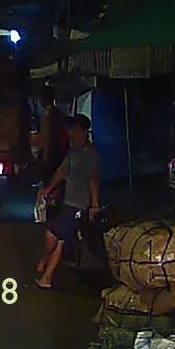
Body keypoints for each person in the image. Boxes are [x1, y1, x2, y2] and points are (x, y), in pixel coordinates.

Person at [34, 114, 101, 289]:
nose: (72, 134)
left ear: (84, 132)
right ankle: (45, 271)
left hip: (78, 206)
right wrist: (48, 190)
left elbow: (93, 180)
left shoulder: (90, 154)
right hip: (68, 204)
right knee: (58, 239)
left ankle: (46, 274)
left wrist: (94, 205)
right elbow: (62, 172)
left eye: (75, 130)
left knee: (55, 237)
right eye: (70, 130)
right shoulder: (74, 152)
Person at [31, 85, 69, 197]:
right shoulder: (56, 114)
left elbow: (49, 137)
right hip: (57, 153)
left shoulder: (50, 115)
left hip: (53, 153)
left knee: (50, 180)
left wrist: (46, 153)